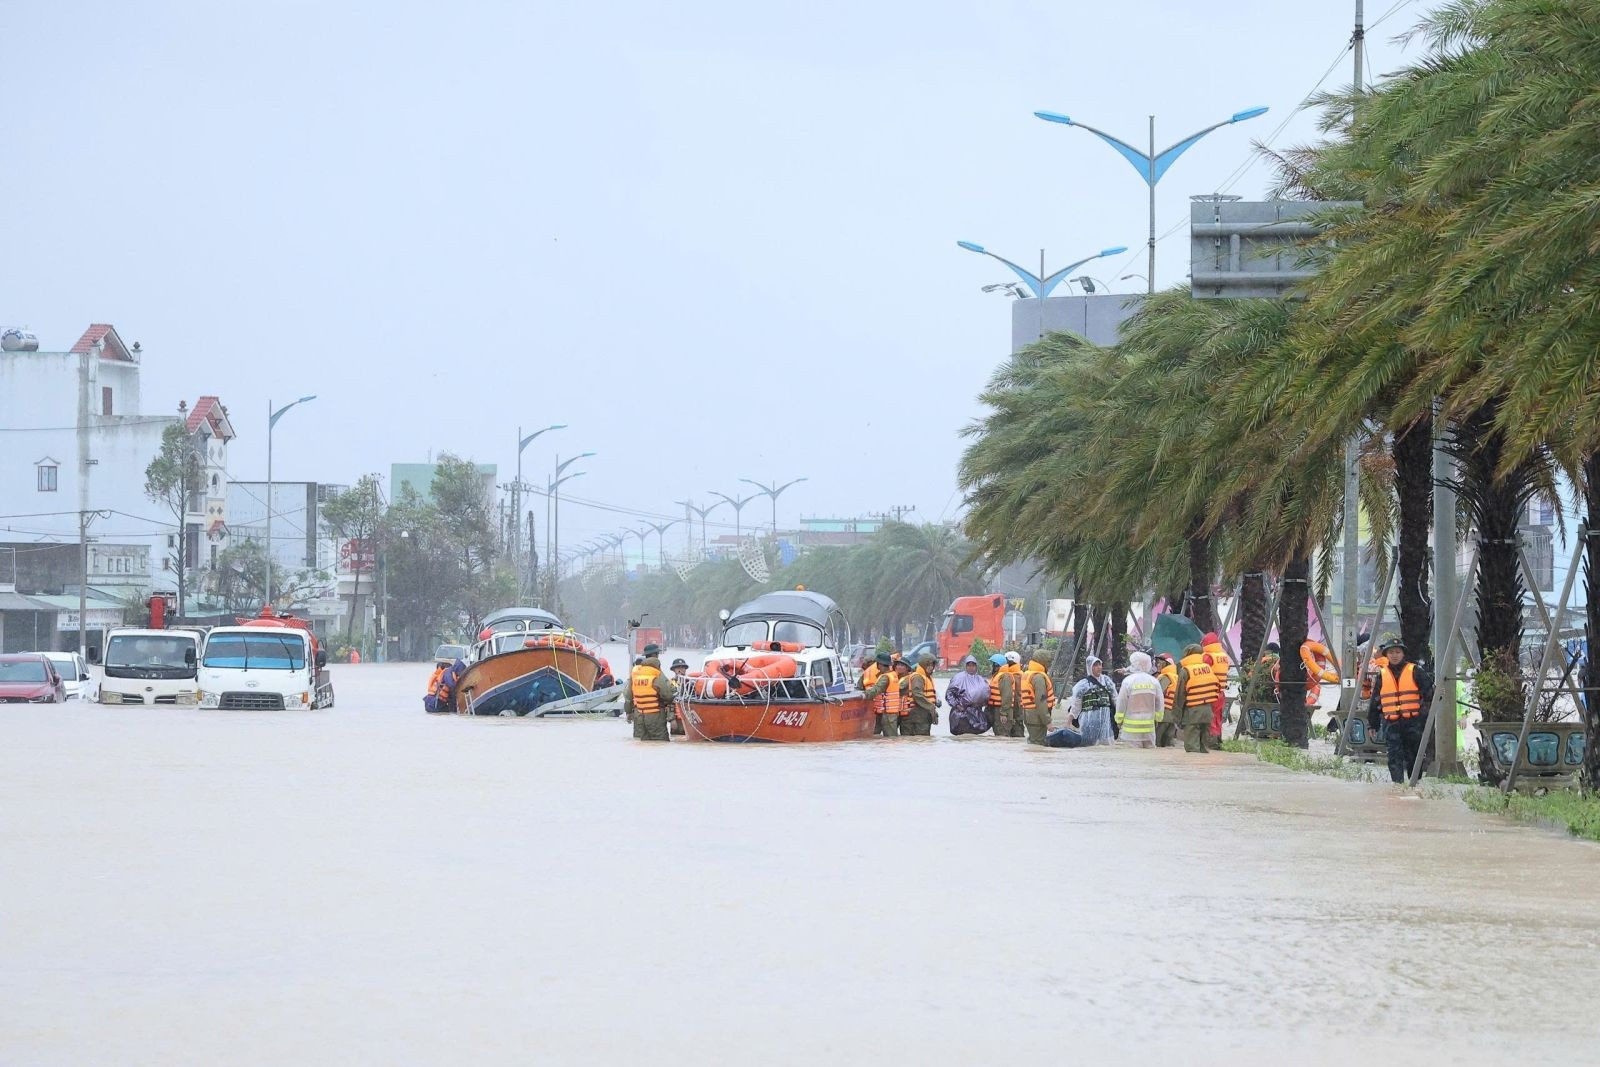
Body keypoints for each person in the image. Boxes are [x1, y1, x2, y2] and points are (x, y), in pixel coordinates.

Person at [1367, 634, 1435, 784]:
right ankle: (1397, 786)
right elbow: (1375, 701)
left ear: (1403, 654)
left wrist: (1425, 713)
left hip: (1413, 722)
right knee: (1394, 756)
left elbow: (1430, 693)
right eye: (1391, 652)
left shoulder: (1415, 670)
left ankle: (1413, 785)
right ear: (1386, 655)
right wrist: (1372, 724)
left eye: (1398, 652)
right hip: (1391, 724)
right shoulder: (1382, 675)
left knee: (1413, 756)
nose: (1395, 655)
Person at [1175, 643, 1221, 753]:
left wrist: (1177, 717)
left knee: (1192, 748)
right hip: (1207, 712)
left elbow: (1179, 696)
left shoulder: (1186, 670)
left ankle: (1192, 770)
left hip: (1192, 712)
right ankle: (1205, 770)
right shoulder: (1208, 668)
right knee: (1204, 748)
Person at [625, 643, 675, 742]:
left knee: (641, 745)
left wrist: (628, 712)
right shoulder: (656, 673)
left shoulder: (636, 673)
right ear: (656, 655)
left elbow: (628, 696)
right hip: (655, 716)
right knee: (660, 744)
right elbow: (668, 695)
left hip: (639, 716)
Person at [1115, 651, 1163, 748]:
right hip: (1149, 728)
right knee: (1149, 758)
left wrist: (1119, 720)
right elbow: (1160, 703)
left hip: (1131, 730)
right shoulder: (1154, 682)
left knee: (1133, 759)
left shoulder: (1128, 681)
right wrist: (1158, 719)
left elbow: (1121, 703)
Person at [1067, 655, 1116, 746]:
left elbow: (1115, 699)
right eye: (1095, 665)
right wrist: (1068, 723)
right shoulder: (1082, 685)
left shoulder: (1107, 681)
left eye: (1100, 665)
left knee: (1107, 746)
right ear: (1090, 667)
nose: (1099, 667)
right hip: (1088, 721)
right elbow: (1075, 707)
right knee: (1088, 745)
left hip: (1106, 722)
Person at [946, 655, 993, 735]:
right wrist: (957, 705)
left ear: (976, 666)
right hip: (961, 713)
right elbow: (949, 694)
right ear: (966, 666)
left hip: (976, 712)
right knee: (963, 735)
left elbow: (986, 694)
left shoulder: (981, 680)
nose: (971, 668)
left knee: (974, 734)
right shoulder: (958, 678)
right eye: (969, 665)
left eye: (973, 665)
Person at [1018, 649, 1056, 745]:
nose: (1049, 664)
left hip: (1029, 716)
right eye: (1048, 661)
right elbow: (1041, 701)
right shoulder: (1038, 677)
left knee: (1033, 743)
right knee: (1037, 745)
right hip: (1037, 719)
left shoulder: (1028, 673)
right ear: (1042, 661)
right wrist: (1048, 721)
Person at [865, 657, 910, 736]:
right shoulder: (893, 675)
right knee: (888, 738)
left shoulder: (887, 677)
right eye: (898, 665)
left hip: (890, 712)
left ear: (880, 665)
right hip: (890, 712)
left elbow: (876, 690)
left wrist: (865, 694)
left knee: (890, 739)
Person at [1201, 631, 1232, 744]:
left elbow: (1202, 673)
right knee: (1218, 717)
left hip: (1210, 693)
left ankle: (1211, 741)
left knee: (1210, 717)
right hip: (1221, 692)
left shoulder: (1208, 657)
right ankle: (1218, 739)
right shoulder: (1223, 656)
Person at [902, 653, 940, 736]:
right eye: (929, 665)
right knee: (921, 741)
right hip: (917, 715)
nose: (931, 668)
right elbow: (917, 695)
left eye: (932, 665)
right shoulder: (917, 677)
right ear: (923, 665)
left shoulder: (926, 677)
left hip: (923, 715)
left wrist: (935, 704)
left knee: (924, 741)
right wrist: (931, 707)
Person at [993, 651, 1025, 737]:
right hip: (1017, 710)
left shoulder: (1007, 676)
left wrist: (1004, 713)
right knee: (1017, 734)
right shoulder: (1020, 675)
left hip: (1013, 710)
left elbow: (1008, 696)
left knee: (1005, 735)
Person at [1153, 652, 1179, 747]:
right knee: (1168, 741)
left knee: (1157, 741)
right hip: (1173, 714)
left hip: (1164, 713)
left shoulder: (1165, 677)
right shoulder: (1175, 676)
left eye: (1160, 662)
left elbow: (1157, 694)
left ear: (1167, 664)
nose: (1158, 664)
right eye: (1157, 662)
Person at [861, 652, 887, 735]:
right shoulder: (867, 674)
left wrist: (864, 695)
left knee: (876, 731)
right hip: (878, 707)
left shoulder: (885, 675)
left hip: (879, 708)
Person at [667, 657, 691, 735]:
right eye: (678, 667)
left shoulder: (691, 683)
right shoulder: (670, 684)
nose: (680, 669)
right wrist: (671, 719)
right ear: (674, 670)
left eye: (683, 667)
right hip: (677, 720)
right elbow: (668, 702)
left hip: (689, 719)